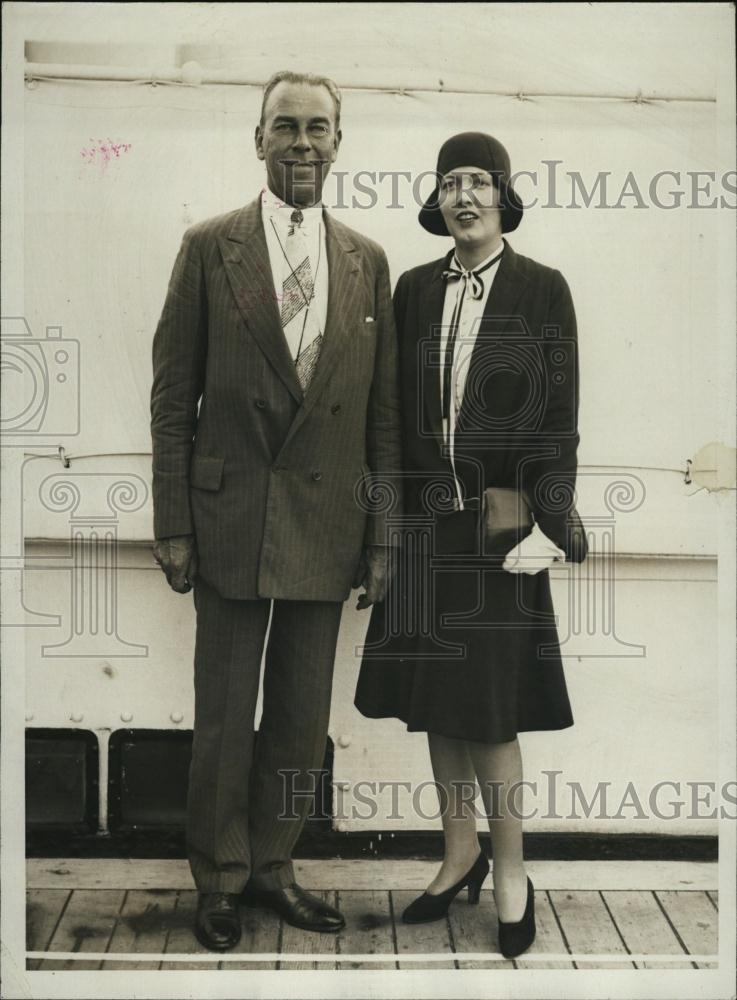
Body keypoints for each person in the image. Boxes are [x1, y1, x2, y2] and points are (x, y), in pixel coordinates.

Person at [150, 70, 401, 952]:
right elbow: (173, 395)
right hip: (225, 522)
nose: (302, 142)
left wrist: (383, 537)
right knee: (223, 711)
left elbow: (383, 418)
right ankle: (218, 878)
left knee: (299, 715)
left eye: (318, 128)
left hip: (328, 523)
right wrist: (173, 523)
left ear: (339, 143)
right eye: (284, 127)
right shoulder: (208, 246)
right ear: (257, 140)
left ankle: (273, 867)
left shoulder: (367, 262)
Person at [355, 132, 587, 958]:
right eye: (449, 182)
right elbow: (387, 418)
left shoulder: (540, 290)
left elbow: (558, 416)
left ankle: (513, 870)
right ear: (437, 199)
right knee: (434, 707)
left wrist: (548, 527)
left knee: (488, 714)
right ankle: (458, 853)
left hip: (500, 531)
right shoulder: (415, 290)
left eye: (477, 182)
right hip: (424, 525)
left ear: (502, 196)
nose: (463, 197)